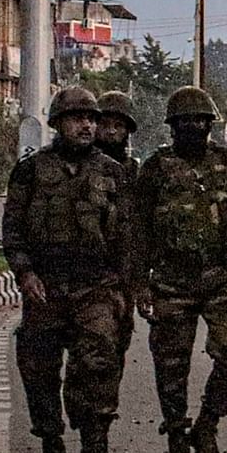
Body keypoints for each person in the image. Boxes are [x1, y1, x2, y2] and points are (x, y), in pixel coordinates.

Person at [3, 86, 134, 453]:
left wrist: (126, 288)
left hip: (96, 285)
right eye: (78, 118)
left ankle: (96, 449)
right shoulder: (32, 170)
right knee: (39, 367)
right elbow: (14, 227)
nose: (87, 125)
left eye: (92, 119)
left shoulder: (112, 173)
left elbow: (128, 235)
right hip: (47, 285)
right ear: (58, 123)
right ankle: (52, 450)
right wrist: (25, 273)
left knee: (97, 363)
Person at [132, 86, 227, 453]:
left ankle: (207, 425)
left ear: (210, 125)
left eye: (201, 121)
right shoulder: (156, 168)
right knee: (171, 367)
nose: (194, 126)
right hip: (171, 278)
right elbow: (138, 230)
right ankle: (177, 444)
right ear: (173, 126)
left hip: (218, 275)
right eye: (185, 121)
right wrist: (140, 283)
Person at [93, 90, 144, 378]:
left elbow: (141, 229)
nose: (111, 131)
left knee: (114, 349)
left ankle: (101, 413)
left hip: (121, 277)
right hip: (84, 274)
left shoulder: (133, 173)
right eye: (105, 124)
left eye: (119, 126)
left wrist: (140, 280)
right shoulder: (81, 168)